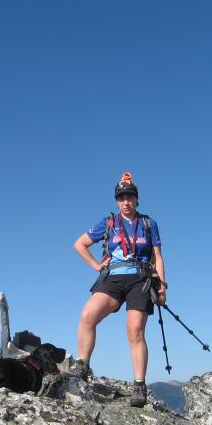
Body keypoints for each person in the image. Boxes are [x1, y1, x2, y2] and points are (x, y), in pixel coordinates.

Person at [73, 172, 167, 407]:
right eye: (122, 197)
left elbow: (157, 256)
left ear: (136, 199)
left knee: (135, 331)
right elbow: (80, 244)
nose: (126, 202)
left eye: (130, 197)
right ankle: (83, 365)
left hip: (140, 279)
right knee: (87, 316)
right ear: (117, 201)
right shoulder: (108, 223)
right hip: (113, 277)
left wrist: (162, 287)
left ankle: (139, 384)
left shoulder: (148, 223)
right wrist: (96, 265)